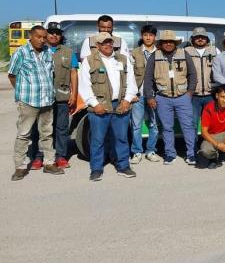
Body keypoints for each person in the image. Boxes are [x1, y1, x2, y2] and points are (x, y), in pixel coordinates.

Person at [78, 32, 138, 181]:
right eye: (104, 43)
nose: (108, 45)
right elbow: (84, 86)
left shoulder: (123, 59)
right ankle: (96, 169)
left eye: (110, 42)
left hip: (120, 105)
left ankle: (123, 166)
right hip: (100, 107)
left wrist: (127, 100)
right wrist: (95, 104)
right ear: (97, 45)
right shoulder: (89, 61)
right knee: (98, 140)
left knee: (121, 138)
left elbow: (131, 82)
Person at [8, 26, 64, 181]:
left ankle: (49, 163)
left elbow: (50, 73)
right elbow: (12, 75)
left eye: (44, 37)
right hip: (28, 101)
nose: (42, 40)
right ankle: (20, 166)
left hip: (46, 100)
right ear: (31, 36)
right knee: (24, 134)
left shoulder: (47, 52)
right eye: (38, 37)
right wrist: (22, 93)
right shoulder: (21, 52)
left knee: (47, 133)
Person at [27, 22, 78, 170]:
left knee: (61, 128)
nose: (54, 35)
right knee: (39, 128)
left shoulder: (68, 52)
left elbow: (73, 73)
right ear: (46, 34)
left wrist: (74, 94)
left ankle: (61, 156)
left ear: (61, 35)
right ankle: (38, 156)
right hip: (41, 98)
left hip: (61, 97)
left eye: (57, 32)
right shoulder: (39, 51)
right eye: (51, 32)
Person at [143, 30, 198, 165]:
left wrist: (190, 92)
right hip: (162, 98)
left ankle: (191, 154)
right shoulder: (154, 56)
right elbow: (148, 78)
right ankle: (170, 154)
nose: (168, 44)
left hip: (183, 97)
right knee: (167, 128)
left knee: (188, 126)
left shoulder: (183, 54)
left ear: (175, 43)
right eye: (165, 42)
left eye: (171, 42)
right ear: (161, 43)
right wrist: (150, 97)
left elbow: (193, 74)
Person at [129, 25, 160, 164]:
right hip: (139, 95)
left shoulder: (160, 52)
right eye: (146, 35)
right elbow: (129, 75)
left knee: (154, 124)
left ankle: (151, 150)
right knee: (136, 125)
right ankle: (136, 152)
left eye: (151, 35)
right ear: (142, 36)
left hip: (156, 95)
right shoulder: (134, 53)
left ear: (155, 37)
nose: (148, 37)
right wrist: (131, 93)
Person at [184, 27, 219, 132]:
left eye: (203, 37)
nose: (200, 39)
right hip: (193, 95)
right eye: (197, 37)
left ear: (207, 39)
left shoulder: (214, 50)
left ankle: (209, 147)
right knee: (193, 124)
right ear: (192, 39)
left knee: (211, 123)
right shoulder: (186, 51)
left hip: (210, 94)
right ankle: (193, 148)